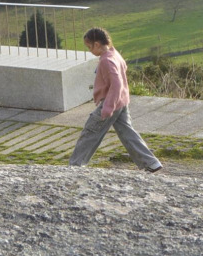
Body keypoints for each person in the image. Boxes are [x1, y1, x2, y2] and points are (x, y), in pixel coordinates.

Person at [68, 27, 164, 173]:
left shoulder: (106, 61)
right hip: (122, 102)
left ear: (97, 44)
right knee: (127, 133)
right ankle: (151, 163)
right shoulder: (115, 54)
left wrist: (108, 107)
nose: (90, 51)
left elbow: (117, 83)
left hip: (110, 103)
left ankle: (75, 165)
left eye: (89, 47)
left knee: (90, 131)